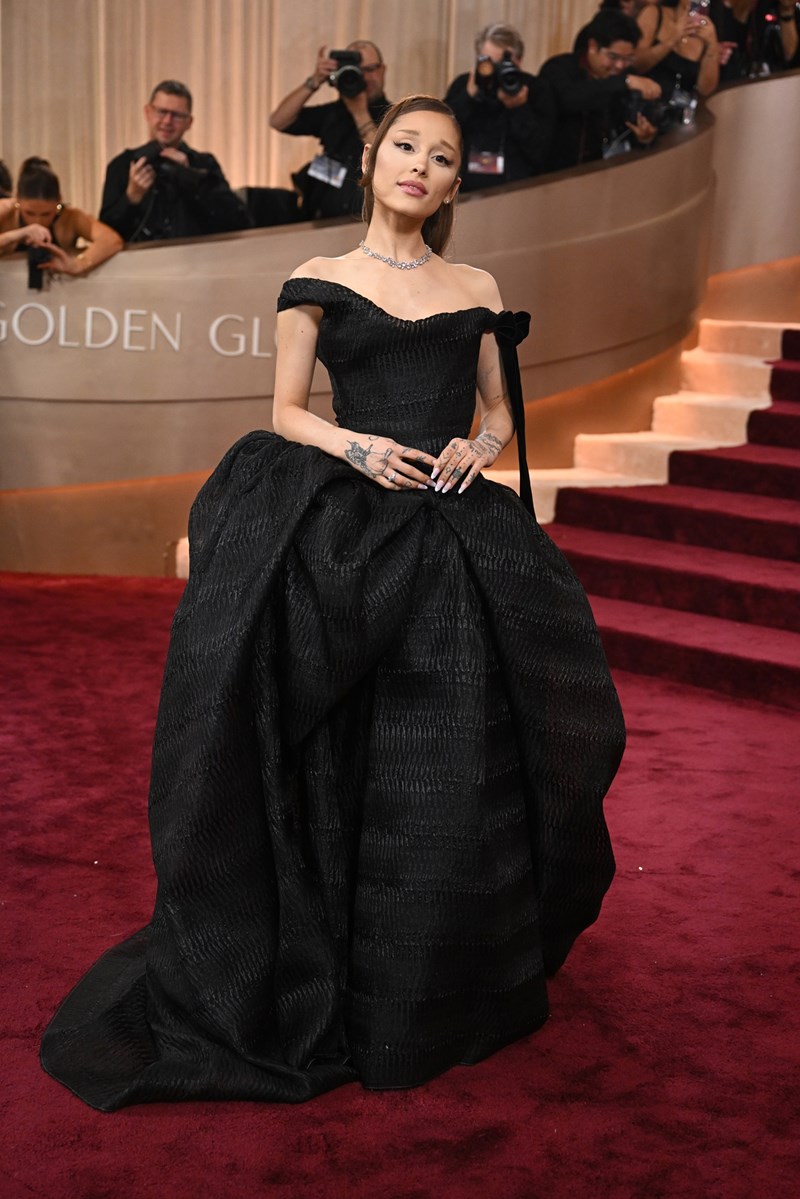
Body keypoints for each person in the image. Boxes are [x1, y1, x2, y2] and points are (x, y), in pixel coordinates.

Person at [40, 96, 625, 1111]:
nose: (420, 166)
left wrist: (472, 449)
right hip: (349, 532)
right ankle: (333, 959)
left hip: (455, 537)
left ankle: (437, 976)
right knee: (347, 749)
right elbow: (282, 413)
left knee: (449, 753)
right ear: (371, 158)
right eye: (405, 146)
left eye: (441, 157)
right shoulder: (317, 279)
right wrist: (357, 446)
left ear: (453, 183)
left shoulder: (476, 284)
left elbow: (493, 412)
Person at [99, 80, 251, 242]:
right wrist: (131, 198)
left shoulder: (204, 164)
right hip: (141, 263)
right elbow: (104, 235)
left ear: (189, 123)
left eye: (177, 116)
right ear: (147, 113)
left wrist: (192, 180)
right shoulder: (122, 165)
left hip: (197, 262)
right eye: (161, 112)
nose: (167, 121)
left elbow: (238, 221)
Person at [269, 41, 391, 219]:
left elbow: (386, 158)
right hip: (322, 220)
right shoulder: (334, 113)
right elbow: (278, 121)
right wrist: (314, 81)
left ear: (382, 70)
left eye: (370, 69)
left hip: (366, 221)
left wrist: (359, 113)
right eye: (356, 70)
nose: (363, 77)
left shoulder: (395, 115)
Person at [540, 12, 662, 171]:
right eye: (613, 57)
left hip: (605, 173)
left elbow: (630, 126)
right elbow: (570, 98)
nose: (620, 65)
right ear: (592, 46)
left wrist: (645, 136)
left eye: (628, 59)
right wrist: (623, 82)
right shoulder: (558, 68)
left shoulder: (627, 77)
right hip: (557, 174)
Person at [444, 23, 554, 191]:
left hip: (517, 192)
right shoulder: (464, 85)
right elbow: (442, 134)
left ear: (519, 61)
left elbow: (541, 153)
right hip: (464, 193)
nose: (495, 71)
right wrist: (469, 97)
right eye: (488, 63)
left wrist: (518, 108)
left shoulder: (536, 90)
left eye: (503, 63)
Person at [0, 157, 122, 276]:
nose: (37, 221)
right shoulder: (5, 211)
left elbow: (111, 240)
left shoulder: (70, 218)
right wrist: (18, 234)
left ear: (59, 200)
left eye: (46, 214)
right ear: (18, 199)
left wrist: (78, 265)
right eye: (29, 213)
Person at [634, 0, 721, 99]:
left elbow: (705, 90)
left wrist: (712, 46)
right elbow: (636, 64)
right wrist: (673, 38)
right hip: (644, 100)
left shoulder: (707, 30)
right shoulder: (654, 13)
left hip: (680, 109)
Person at [710, 0, 799, 79]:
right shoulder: (708, 6)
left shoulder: (771, 5)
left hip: (770, 85)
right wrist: (709, 54)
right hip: (722, 88)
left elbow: (790, 57)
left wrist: (787, 11)